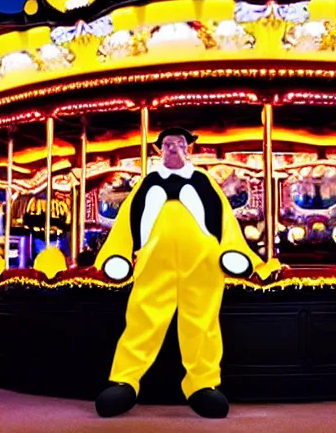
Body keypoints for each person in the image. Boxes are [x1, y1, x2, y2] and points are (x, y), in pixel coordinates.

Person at [95, 127, 264, 418]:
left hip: (203, 264)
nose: (173, 148)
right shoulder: (146, 184)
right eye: (168, 144)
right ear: (160, 150)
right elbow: (125, 223)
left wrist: (234, 251)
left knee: (202, 322)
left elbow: (225, 220)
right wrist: (117, 254)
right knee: (141, 318)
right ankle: (125, 379)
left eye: (179, 143)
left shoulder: (204, 182)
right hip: (152, 264)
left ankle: (202, 384)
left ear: (189, 149)